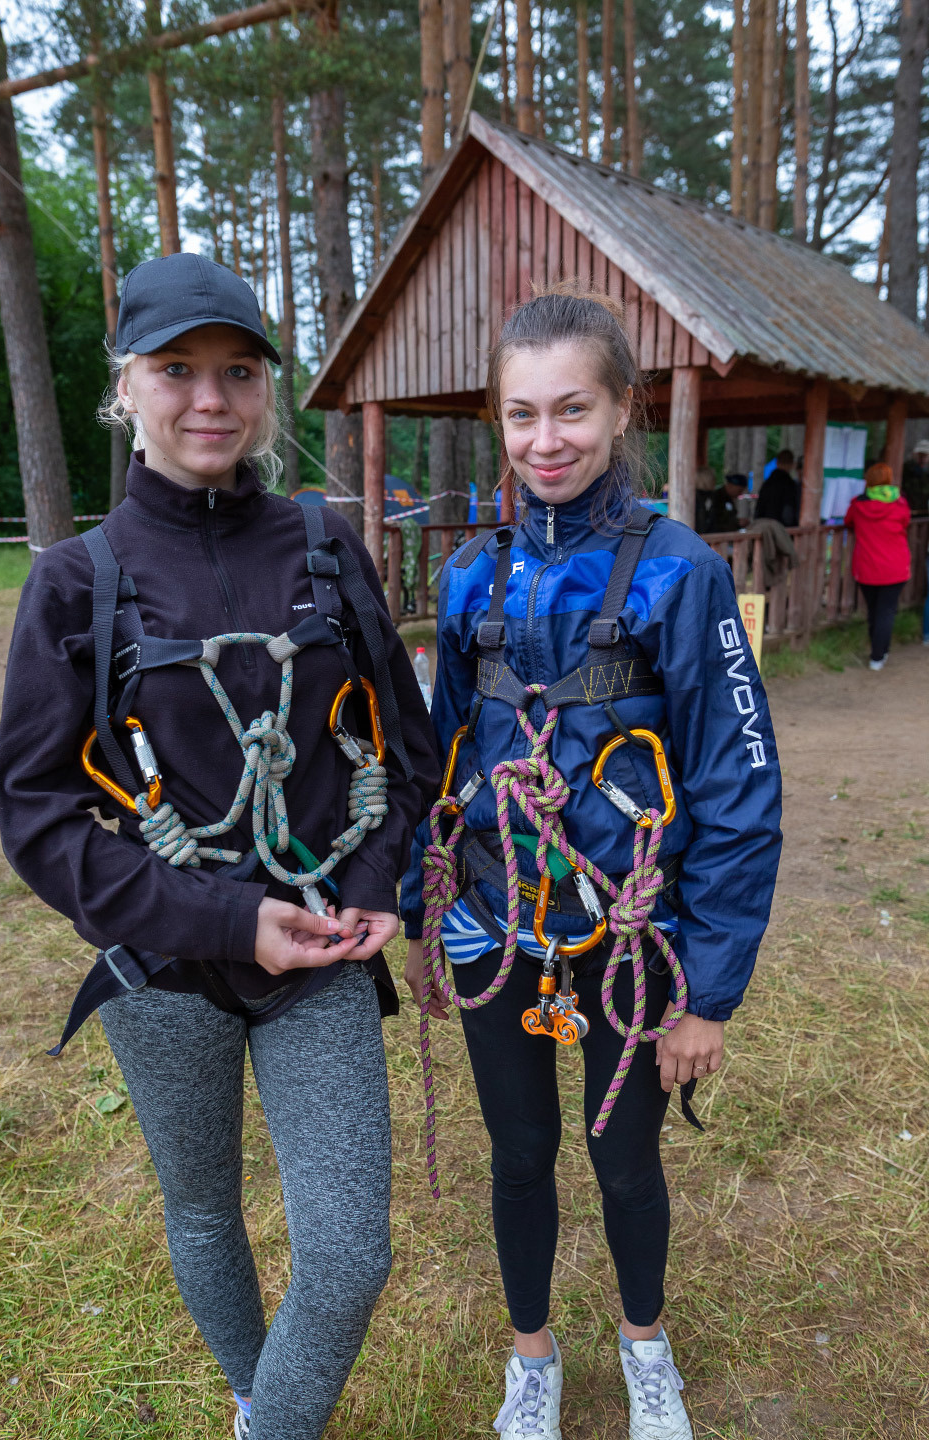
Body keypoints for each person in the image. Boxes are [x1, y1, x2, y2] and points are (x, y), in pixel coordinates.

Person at [0, 252, 440, 1440]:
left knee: (348, 1253)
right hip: (165, 965)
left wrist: (376, 880)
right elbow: (37, 817)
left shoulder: (325, 546)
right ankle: (264, 1400)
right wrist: (228, 920)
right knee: (203, 1216)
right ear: (125, 389)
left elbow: (410, 746)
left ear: (263, 390)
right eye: (176, 370)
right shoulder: (77, 583)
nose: (211, 399)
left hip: (327, 948)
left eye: (238, 371)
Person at [401, 286, 782, 1440]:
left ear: (624, 410)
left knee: (624, 1161)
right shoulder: (472, 578)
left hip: (630, 933)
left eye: (572, 410)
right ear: (500, 423)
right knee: (520, 1155)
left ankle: (644, 1347)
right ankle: (534, 1360)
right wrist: (428, 894)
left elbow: (737, 783)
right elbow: (441, 757)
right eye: (522, 416)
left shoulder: (682, 576)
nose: (545, 440)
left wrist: (708, 992)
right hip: (494, 924)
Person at [843, 461, 912, 671]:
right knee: (886, 611)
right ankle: (879, 653)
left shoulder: (858, 505)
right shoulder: (899, 503)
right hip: (896, 566)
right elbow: (906, 522)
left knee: (874, 610)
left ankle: (878, 651)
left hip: (867, 567)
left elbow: (848, 522)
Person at [754, 448, 799, 527]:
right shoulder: (789, 485)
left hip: (763, 527)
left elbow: (758, 509)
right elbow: (788, 512)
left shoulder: (767, 484)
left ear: (777, 463)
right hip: (781, 529)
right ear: (792, 464)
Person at [901, 438, 929, 515]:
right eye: (920, 454)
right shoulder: (907, 468)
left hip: (925, 511)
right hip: (908, 509)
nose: (922, 457)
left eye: (925, 455)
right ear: (916, 454)